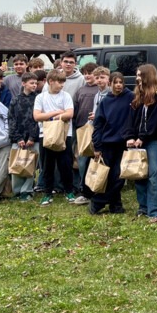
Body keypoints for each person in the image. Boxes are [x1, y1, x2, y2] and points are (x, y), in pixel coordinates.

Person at [127, 63, 157, 223]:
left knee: (153, 174)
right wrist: (130, 136)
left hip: (151, 141)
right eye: (137, 75)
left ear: (148, 76)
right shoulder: (137, 97)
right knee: (139, 174)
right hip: (137, 142)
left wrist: (142, 138)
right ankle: (143, 207)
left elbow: (156, 122)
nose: (137, 78)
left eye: (140, 75)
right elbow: (131, 120)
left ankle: (155, 211)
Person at [91, 71, 133, 215]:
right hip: (107, 144)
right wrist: (97, 146)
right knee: (107, 176)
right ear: (110, 84)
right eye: (115, 82)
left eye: (121, 82)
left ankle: (98, 202)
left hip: (124, 144)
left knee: (119, 176)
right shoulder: (105, 101)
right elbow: (98, 125)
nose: (118, 85)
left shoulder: (130, 97)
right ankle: (116, 205)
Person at [33, 68, 75, 205]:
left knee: (65, 164)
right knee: (47, 165)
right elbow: (37, 116)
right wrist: (57, 113)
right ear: (50, 81)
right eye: (59, 82)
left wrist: (49, 116)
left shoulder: (66, 96)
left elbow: (69, 114)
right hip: (45, 135)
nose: (62, 85)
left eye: (63, 82)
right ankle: (47, 192)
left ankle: (69, 191)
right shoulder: (40, 97)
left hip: (64, 135)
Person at [70, 62, 100, 206]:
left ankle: (97, 188)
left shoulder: (100, 90)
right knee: (81, 161)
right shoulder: (80, 90)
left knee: (96, 160)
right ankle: (83, 189)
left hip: (98, 131)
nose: (88, 75)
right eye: (85, 73)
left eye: (91, 72)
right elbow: (75, 109)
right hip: (82, 130)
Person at [8, 70, 41, 201]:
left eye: (35, 83)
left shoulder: (38, 99)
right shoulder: (15, 100)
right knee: (17, 163)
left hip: (33, 139)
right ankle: (16, 191)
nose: (34, 85)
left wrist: (32, 138)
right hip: (19, 139)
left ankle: (27, 191)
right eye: (31, 83)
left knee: (30, 165)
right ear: (23, 84)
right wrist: (18, 138)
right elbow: (11, 120)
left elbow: (37, 121)